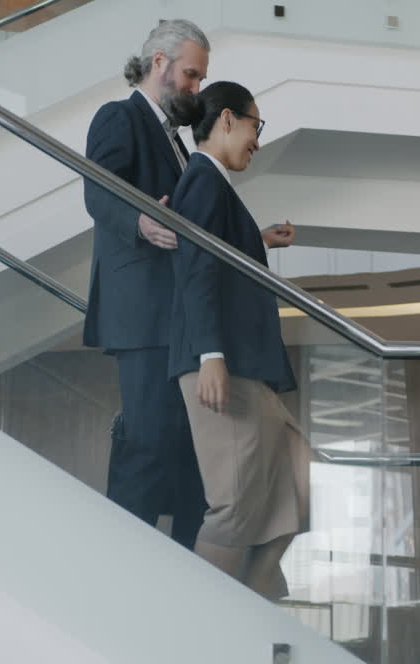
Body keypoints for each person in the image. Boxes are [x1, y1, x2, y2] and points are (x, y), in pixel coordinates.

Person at [83, 21, 297, 550]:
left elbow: (196, 233)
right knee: (149, 446)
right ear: (159, 62)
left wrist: (254, 239)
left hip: (173, 323)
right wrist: (140, 221)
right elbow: (97, 190)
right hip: (143, 318)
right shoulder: (120, 117)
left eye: (202, 79)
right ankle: (121, 558)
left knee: (184, 460)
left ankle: (181, 572)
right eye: (191, 75)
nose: (196, 89)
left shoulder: (177, 142)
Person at [167, 82, 309, 599]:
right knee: (234, 504)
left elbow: (219, 254)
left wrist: (259, 239)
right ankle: (210, 617)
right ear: (228, 119)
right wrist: (210, 355)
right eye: (256, 127)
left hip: (247, 364)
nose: (257, 140)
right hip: (223, 362)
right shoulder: (203, 179)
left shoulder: (214, 184)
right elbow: (197, 268)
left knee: (297, 483)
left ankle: (249, 599)